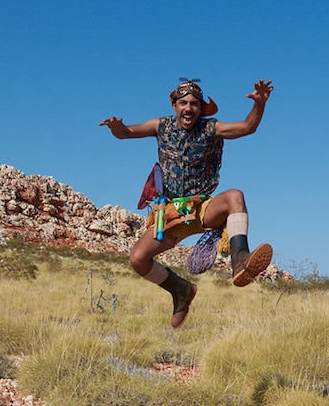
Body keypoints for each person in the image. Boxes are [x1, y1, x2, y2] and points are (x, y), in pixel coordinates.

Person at [100, 78, 274, 328]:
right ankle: (180, 290)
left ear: (201, 108)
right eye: (183, 103)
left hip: (203, 207)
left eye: (194, 103)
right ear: (174, 105)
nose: (189, 108)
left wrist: (259, 104)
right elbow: (126, 133)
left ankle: (240, 261)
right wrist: (115, 127)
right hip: (171, 213)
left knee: (235, 196)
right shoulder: (161, 126)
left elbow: (247, 127)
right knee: (138, 259)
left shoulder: (211, 128)